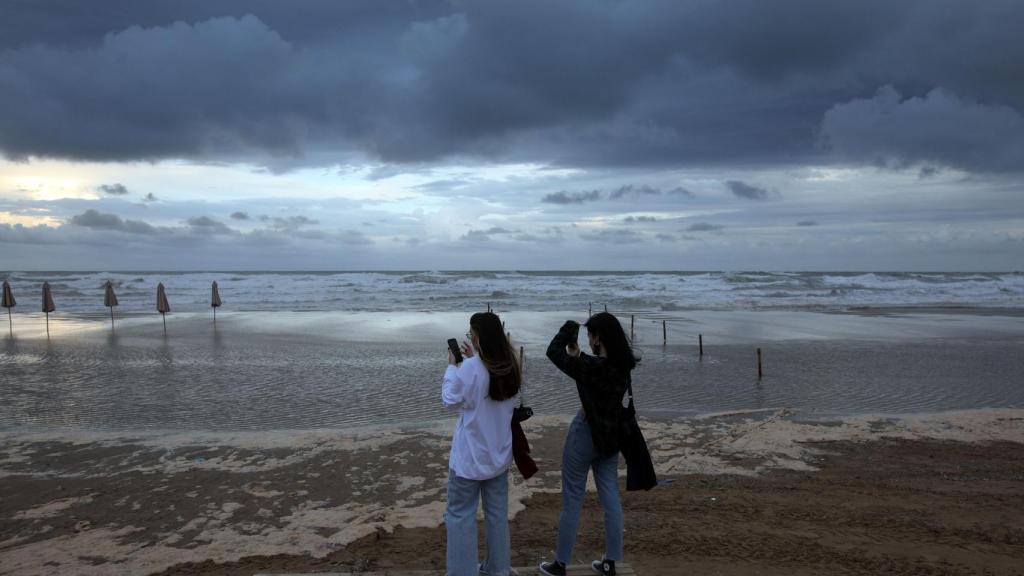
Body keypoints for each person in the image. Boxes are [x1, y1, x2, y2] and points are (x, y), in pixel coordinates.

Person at [540, 313, 637, 576]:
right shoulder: (623, 366)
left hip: (584, 434)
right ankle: (611, 561)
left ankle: (560, 563)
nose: (590, 340)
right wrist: (579, 354)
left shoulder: (591, 368)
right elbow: (596, 366)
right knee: (610, 496)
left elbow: (552, 350)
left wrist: (571, 328)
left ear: (596, 337)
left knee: (572, 498)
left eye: (590, 335)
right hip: (611, 436)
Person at [442, 311, 522, 576]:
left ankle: (462, 571)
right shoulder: (510, 364)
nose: (469, 338)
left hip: (469, 459)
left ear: (476, 337)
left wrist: (453, 366)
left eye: (470, 334)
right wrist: (470, 360)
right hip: (498, 456)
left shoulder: (470, 368)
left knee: (460, 516)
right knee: (497, 516)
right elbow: (484, 377)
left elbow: (449, 399)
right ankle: (498, 570)